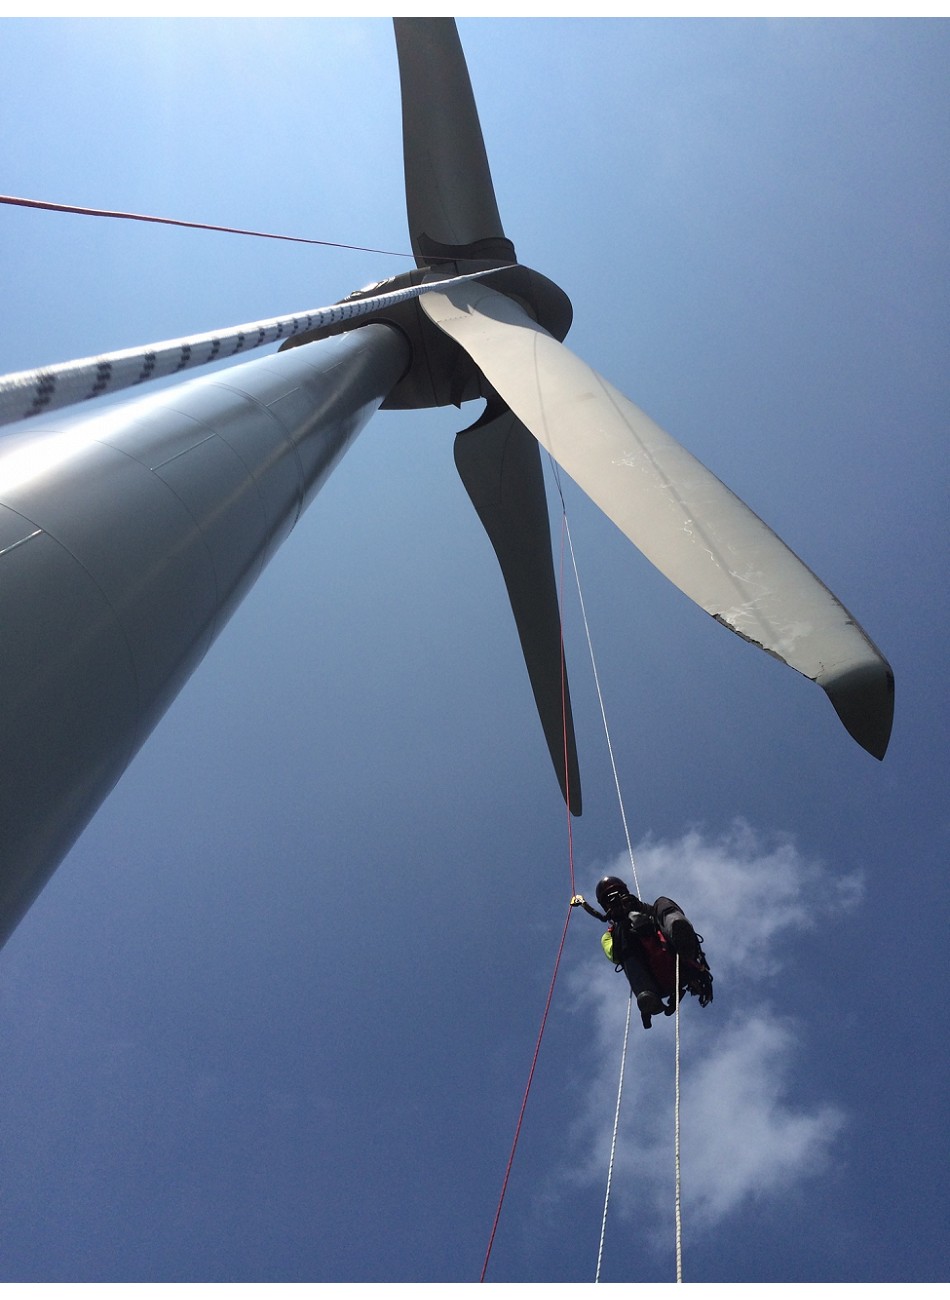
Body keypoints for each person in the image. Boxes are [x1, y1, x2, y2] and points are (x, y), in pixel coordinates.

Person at [571, 875, 713, 1028]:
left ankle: (681, 935)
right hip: (653, 982)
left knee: (662, 902)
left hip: (677, 961)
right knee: (621, 931)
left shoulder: (648, 910)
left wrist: (637, 908)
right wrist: (622, 922)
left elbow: (655, 912)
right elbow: (615, 956)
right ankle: (647, 995)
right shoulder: (610, 935)